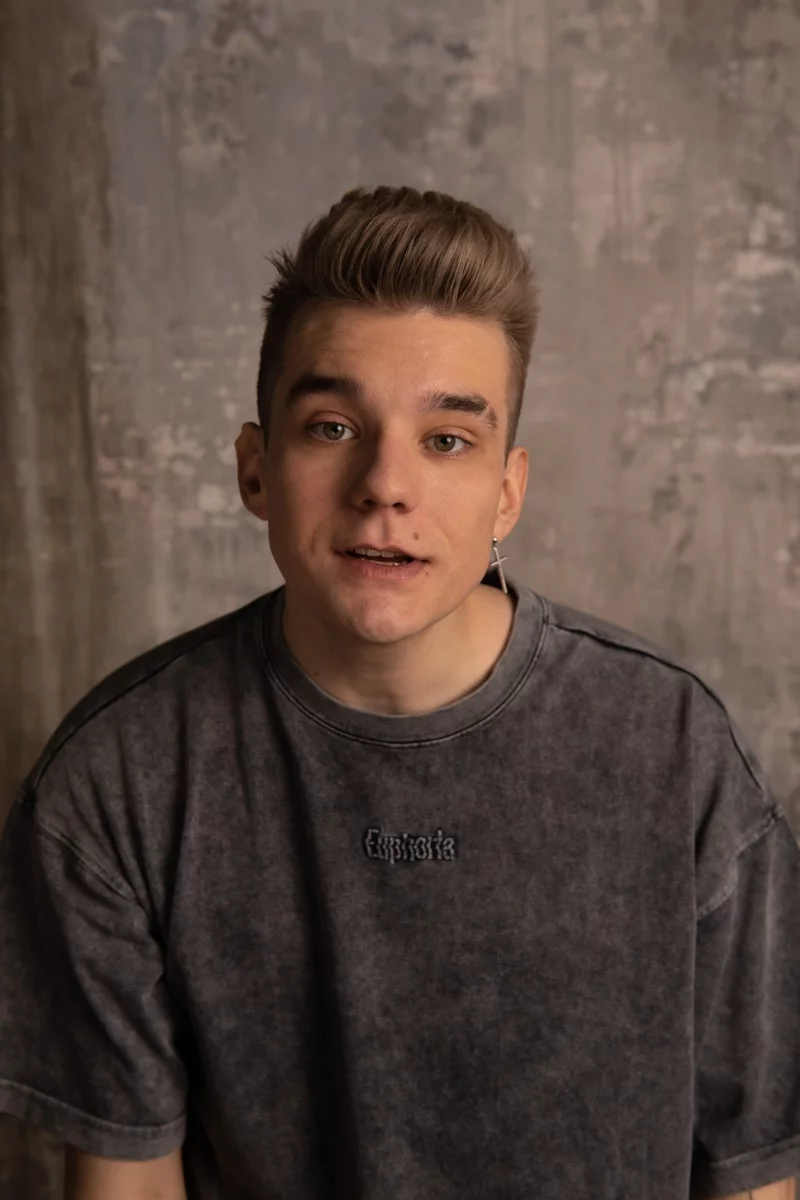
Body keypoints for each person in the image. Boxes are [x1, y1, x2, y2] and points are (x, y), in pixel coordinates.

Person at [0, 185, 798, 1200]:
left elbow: (755, 1173)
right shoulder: (117, 784)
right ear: (256, 468)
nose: (385, 483)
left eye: (446, 439)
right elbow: (131, 1188)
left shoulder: (673, 750)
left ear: (506, 491)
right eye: (332, 427)